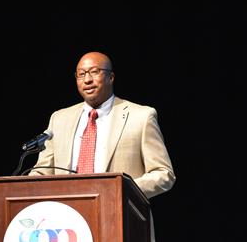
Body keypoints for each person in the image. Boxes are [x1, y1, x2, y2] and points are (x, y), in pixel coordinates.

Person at [29, 51, 176, 200]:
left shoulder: (141, 117)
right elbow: (41, 172)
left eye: (94, 72)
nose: (87, 79)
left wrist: (122, 190)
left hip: (118, 213)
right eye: (81, 74)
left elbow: (164, 173)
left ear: (110, 77)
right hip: (68, 216)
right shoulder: (59, 119)